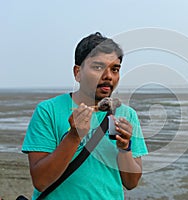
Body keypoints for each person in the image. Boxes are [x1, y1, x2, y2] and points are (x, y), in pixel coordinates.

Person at [22, 32, 148, 199]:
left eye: (114, 69)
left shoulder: (126, 114)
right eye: (98, 67)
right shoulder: (48, 111)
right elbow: (40, 180)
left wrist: (125, 148)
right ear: (77, 72)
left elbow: (131, 183)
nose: (108, 75)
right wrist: (73, 136)